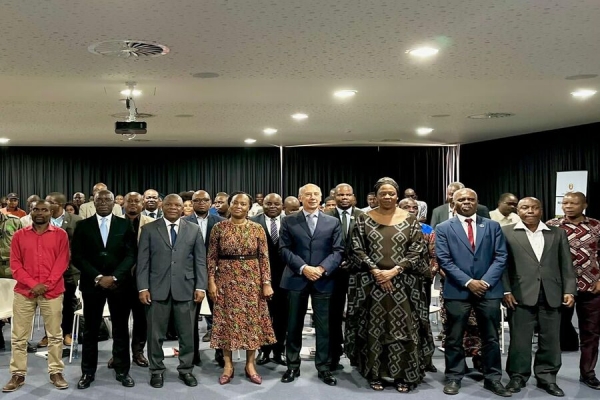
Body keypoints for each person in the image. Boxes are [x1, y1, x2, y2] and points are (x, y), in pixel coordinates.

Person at [347, 177, 432, 392]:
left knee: (405, 328)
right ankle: (376, 373)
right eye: (382, 193)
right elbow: (356, 248)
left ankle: (404, 374)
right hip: (371, 286)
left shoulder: (411, 219)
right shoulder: (363, 219)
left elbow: (417, 250)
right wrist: (376, 272)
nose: (387, 196)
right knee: (374, 328)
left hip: (404, 286)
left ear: (397, 195)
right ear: (375, 196)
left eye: (391, 193)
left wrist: (394, 271)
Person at [435, 188, 510, 396]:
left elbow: (501, 257)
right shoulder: (443, 228)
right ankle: (453, 377)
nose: (466, 202)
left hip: (489, 290)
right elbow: (444, 259)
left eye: (471, 199)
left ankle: (493, 378)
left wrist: (484, 282)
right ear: (453, 203)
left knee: (491, 338)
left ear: (477, 202)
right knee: (454, 337)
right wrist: (469, 282)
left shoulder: (493, 226)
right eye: (462, 199)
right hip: (457, 290)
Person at [502, 197, 576, 397]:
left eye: (535, 208)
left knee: (551, 339)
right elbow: (502, 266)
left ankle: (547, 377)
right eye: (525, 208)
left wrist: (570, 290)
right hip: (520, 295)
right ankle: (518, 376)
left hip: (552, 294)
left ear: (541, 210)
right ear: (518, 210)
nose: (530, 211)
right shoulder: (507, 233)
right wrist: (506, 290)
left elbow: (566, 265)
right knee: (519, 340)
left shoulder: (557, 233)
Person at [137, 194, 206, 388]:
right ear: (162, 206)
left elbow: (200, 260)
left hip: (186, 289)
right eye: (169, 204)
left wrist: (201, 286)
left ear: (184, 207)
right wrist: (143, 287)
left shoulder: (193, 230)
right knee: (155, 334)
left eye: (178, 205)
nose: (174, 208)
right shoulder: (149, 229)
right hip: (156, 290)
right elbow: (143, 262)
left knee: (187, 335)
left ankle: (186, 370)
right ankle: (156, 370)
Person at [71, 190, 137, 389]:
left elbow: (131, 255)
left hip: (120, 285)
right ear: (93, 201)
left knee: (120, 329)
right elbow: (78, 257)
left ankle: (122, 370)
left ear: (114, 203)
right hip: (93, 285)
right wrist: (99, 277)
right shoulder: (82, 225)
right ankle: (87, 373)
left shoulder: (125, 225)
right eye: (99, 199)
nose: (102, 202)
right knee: (90, 331)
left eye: (107, 199)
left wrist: (114, 276)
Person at [279, 183, 344, 386]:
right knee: (293, 325)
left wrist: (321, 269)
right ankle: (292, 366)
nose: (313, 197)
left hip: (324, 280)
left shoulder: (332, 222)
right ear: (300, 198)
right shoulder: (289, 221)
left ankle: (324, 368)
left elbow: (339, 250)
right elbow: (284, 249)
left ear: (321, 197)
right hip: (296, 279)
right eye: (308, 194)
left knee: (324, 328)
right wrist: (304, 268)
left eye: (316, 194)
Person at [208, 192, 276, 385]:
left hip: (252, 281)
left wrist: (267, 283)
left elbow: (264, 258)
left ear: (249, 207)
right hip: (226, 281)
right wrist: (211, 281)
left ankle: (250, 364)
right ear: (229, 205)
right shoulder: (218, 228)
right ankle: (228, 365)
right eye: (235, 203)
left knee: (251, 323)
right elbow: (211, 257)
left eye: (243, 204)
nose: (239, 206)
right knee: (227, 322)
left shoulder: (257, 228)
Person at [2, 200, 70, 392]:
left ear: (51, 212)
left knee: (55, 335)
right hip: (24, 292)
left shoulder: (60, 235)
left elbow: (62, 262)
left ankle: (56, 371)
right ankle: (18, 374)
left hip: (52, 291)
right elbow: (15, 265)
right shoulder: (18, 236)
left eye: (44, 210)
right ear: (30, 212)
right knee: (18, 337)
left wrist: (46, 285)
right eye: (36, 209)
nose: (40, 213)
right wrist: (34, 284)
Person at [546, 192, 600, 390]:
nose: (568, 206)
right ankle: (549, 375)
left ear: (584, 204)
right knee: (554, 332)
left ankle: (588, 373)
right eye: (565, 202)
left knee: (591, 333)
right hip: (560, 288)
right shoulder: (552, 225)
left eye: (573, 203)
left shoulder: (596, 225)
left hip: (592, 287)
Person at [183, 189, 226, 367]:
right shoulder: (183, 222)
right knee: (190, 319)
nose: (201, 203)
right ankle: (192, 355)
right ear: (191, 203)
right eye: (197, 200)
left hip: (217, 277)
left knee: (220, 316)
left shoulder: (222, 223)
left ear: (211, 203)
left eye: (205, 200)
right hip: (190, 276)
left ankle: (221, 353)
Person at [324, 183, 364, 371]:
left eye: (348, 194)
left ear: (354, 197)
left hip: (358, 273)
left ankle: (358, 356)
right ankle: (333, 356)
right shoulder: (325, 216)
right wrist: (335, 262)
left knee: (359, 315)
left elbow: (368, 244)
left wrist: (354, 262)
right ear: (335, 197)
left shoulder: (363, 216)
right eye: (341, 195)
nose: (344, 198)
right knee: (333, 316)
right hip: (333, 273)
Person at [251, 193, 288, 367]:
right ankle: (264, 351)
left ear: (282, 205)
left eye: (276, 203)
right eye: (268, 203)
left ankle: (280, 351)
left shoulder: (291, 222)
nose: (272, 206)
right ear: (262, 204)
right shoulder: (253, 222)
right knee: (262, 316)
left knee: (282, 317)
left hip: (286, 278)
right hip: (258, 278)